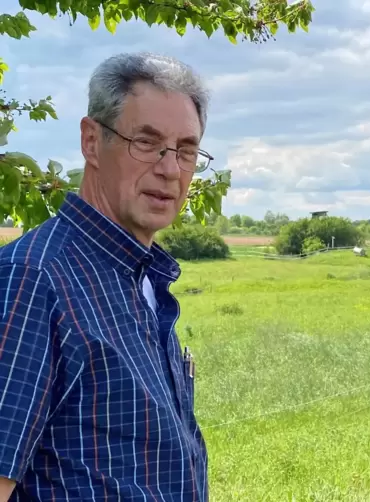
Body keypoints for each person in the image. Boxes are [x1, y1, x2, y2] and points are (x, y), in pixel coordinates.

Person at [0, 52, 213, 501]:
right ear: (92, 141)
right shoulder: (34, 279)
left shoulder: (144, 280)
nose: (170, 169)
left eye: (186, 150)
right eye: (146, 142)